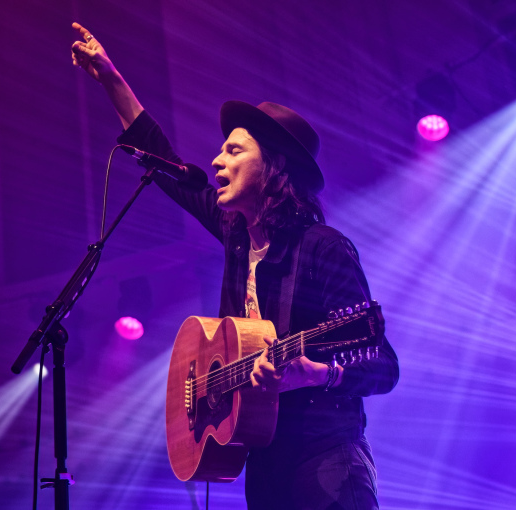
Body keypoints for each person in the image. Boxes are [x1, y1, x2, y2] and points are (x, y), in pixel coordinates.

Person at [70, 23, 399, 509]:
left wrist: (317, 373)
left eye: (234, 150)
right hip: (264, 464)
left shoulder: (324, 248)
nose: (217, 160)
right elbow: (168, 166)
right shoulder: (235, 233)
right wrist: (111, 80)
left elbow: (384, 366)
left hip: (327, 461)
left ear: (274, 167)